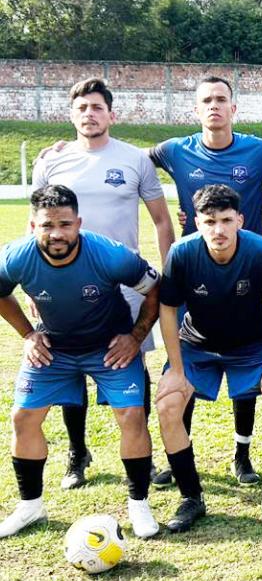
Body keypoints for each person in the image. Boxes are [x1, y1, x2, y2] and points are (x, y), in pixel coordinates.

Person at [32, 77, 175, 492]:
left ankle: (141, 455)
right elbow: (36, 224)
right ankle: (77, 452)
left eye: (97, 107)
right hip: (60, 285)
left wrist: (165, 276)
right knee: (69, 366)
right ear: (72, 115)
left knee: (133, 365)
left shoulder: (134, 160)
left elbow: (162, 221)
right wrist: (35, 282)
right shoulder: (51, 162)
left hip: (124, 287)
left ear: (111, 114)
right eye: (81, 108)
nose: (89, 114)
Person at [0, 185, 161, 539]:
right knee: (23, 417)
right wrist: (28, 334)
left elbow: (155, 289)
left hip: (109, 348)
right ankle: (30, 506)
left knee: (132, 415)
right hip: (53, 348)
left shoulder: (110, 255)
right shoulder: (15, 256)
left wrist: (134, 337)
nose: (57, 233)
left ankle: (138, 505)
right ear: (32, 226)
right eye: (47, 226)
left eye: (65, 224)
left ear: (79, 223)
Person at [149, 76, 262, 488]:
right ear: (196, 109)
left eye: (221, 99)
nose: (214, 105)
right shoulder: (176, 150)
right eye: (206, 100)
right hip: (197, 272)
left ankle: (242, 455)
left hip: (245, 268)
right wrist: (73, 147)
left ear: (233, 108)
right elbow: (133, 159)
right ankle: (179, 456)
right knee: (187, 362)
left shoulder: (259, 149)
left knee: (245, 359)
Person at [155, 185, 262, 531]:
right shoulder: (181, 253)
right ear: (196, 223)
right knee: (169, 405)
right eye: (209, 221)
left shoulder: (261, 251)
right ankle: (191, 497)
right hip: (197, 345)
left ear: (240, 220)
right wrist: (175, 367)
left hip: (252, 345)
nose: (218, 230)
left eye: (226, 220)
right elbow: (168, 310)